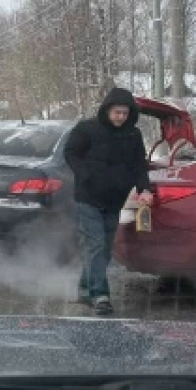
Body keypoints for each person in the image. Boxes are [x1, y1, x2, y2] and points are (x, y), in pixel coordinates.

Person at [63, 87, 154, 316]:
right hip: (88, 198)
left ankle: (84, 288)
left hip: (115, 199)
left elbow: (139, 165)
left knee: (103, 248)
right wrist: (85, 176)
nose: (120, 117)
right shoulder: (87, 129)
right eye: (117, 112)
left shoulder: (133, 135)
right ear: (107, 110)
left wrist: (144, 189)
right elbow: (70, 152)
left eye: (124, 113)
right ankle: (100, 295)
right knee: (96, 244)